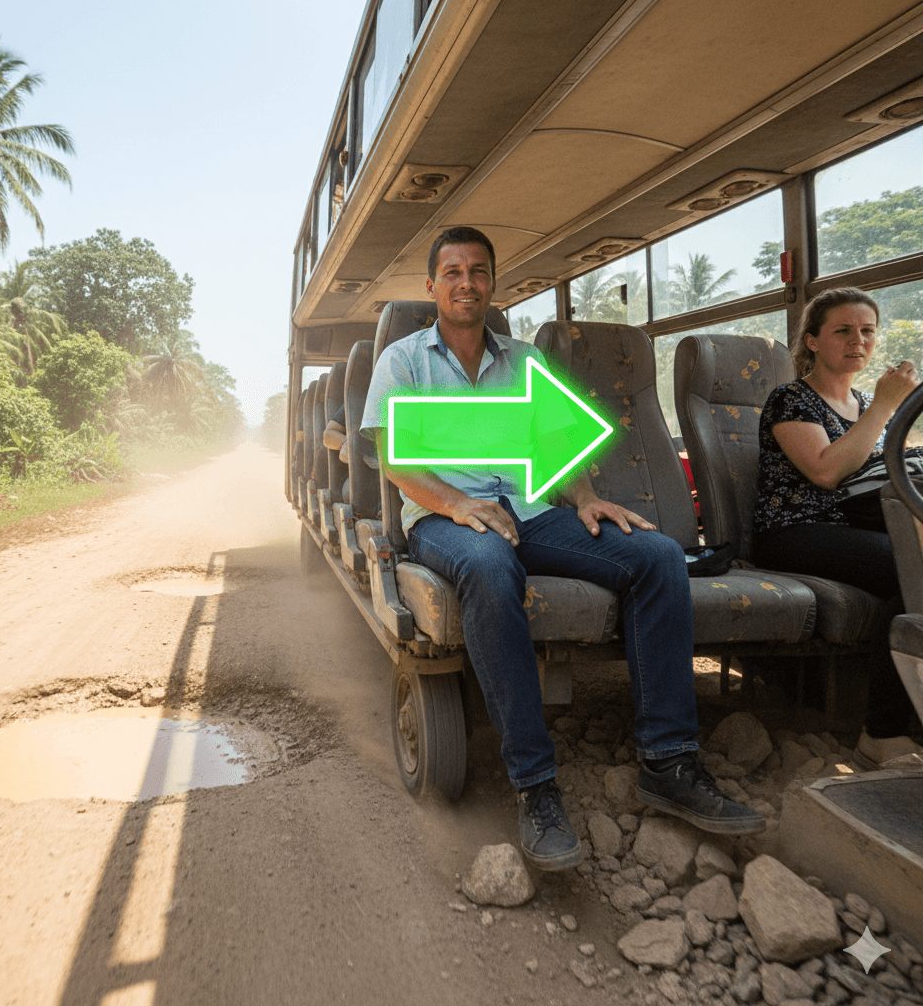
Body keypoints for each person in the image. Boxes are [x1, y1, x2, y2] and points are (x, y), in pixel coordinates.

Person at [360, 226, 764, 872]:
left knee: (656, 555)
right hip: (445, 517)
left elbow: (557, 452)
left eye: (479, 272)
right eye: (453, 272)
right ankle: (536, 785)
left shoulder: (522, 361)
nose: (467, 283)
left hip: (531, 511)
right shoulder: (405, 361)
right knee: (491, 569)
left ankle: (669, 761)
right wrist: (458, 505)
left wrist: (585, 499)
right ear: (432, 285)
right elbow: (394, 458)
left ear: (493, 284)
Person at [751, 287, 922, 770]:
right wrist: (887, 408)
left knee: (914, 579)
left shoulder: (867, 402)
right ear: (812, 340)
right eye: (843, 331)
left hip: (858, 525)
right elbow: (826, 471)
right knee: (913, 571)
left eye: (867, 331)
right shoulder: (791, 399)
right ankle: (881, 731)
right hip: (794, 530)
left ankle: (903, 716)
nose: (859, 341)